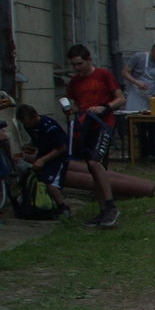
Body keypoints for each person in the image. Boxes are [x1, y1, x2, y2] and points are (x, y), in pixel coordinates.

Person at [64, 45, 123, 227]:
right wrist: (71, 110)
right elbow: (77, 104)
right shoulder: (75, 81)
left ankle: (111, 206)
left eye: (80, 63)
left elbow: (120, 99)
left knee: (94, 162)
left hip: (103, 125)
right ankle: (103, 210)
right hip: (85, 127)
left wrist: (104, 107)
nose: (77, 68)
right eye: (74, 65)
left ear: (89, 60)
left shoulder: (103, 75)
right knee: (93, 167)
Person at [17, 102, 70, 215]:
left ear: (35, 116)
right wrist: (26, 147)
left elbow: (61, 147)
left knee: (49, 181)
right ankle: (40, 203)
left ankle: (63, 207)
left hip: (57, 155)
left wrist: (43, 160)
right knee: (37, 176)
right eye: (24, 124)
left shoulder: (49, 127)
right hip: (44, 151)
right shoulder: (29, 127)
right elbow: (36, 140)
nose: (27, 126)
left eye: (28, 123)